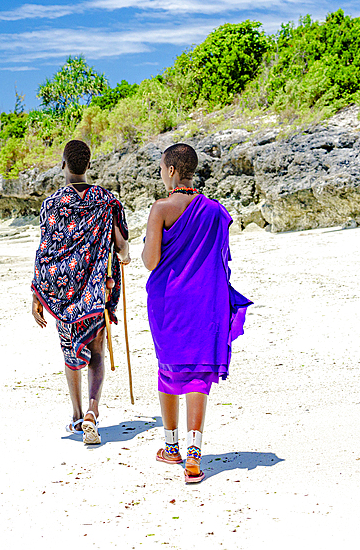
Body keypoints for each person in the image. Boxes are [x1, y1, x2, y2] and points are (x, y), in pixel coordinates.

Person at [141, 143, 251, 483]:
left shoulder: (161, 208)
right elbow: (221, 262)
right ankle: (193, 457)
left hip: (168, 302)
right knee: (199, 373)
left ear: (172, 170)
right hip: (205, 302)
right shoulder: (216, 211)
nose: (161, 174)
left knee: (169, 368)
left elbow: (151, 261)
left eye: (162, 168)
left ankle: (171, 445)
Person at [31, 139, 130, 446]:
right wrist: (123, 256)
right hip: (97, 289)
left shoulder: (52, 204)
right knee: (97, 352)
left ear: (63, 165)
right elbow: (121, 246)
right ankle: (92, 410)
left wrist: (37, 295)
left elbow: (45, 251)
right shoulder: (107, 201)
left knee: (70, 349)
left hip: (63, 292)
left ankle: (75, 416)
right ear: (88, 166)